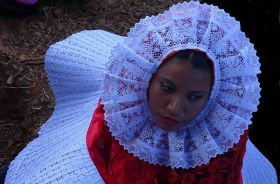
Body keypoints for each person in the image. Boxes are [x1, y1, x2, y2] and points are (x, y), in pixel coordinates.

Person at [3, 1, 278, 183]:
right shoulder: (119, 115)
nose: (174, 108)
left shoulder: (222, 151)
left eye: (194, 97)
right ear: (148, 76)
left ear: (213, 98)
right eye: (167, 88)